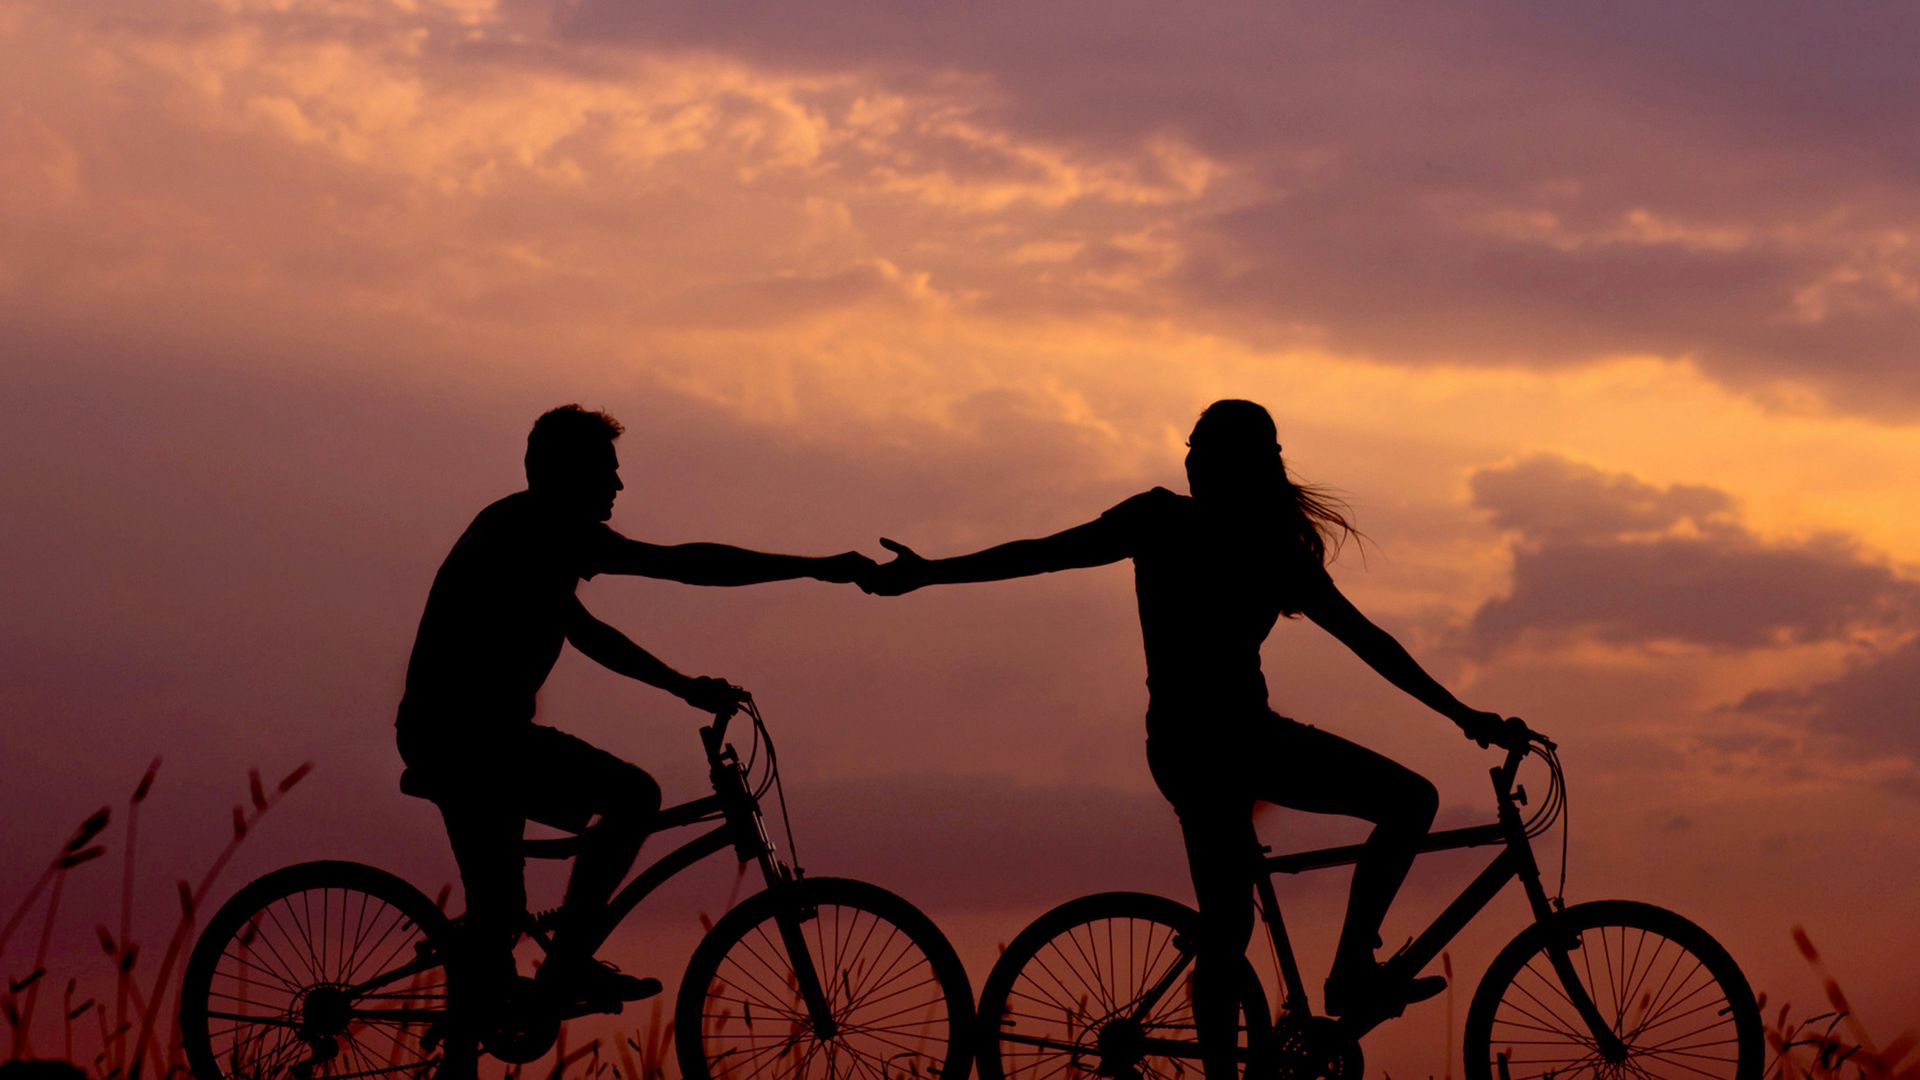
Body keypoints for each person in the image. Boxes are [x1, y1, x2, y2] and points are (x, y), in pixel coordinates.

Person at [860, 399, 1510, 1079]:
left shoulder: (1254, 544)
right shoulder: (1180, 525)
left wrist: (1463, 714)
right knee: (1388, 816)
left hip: (1211, 744)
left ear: (1241, 463)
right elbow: (1043, 555)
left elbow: (1368, 641)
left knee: (1237, 921)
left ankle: (1332, 985)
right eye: (1191, 446)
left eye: (1205, 448)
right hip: (1220, 746)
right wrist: (931, 572)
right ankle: (1348, 974)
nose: (1191, 459)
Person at [397, 404, 872, 1007]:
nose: (618, 484)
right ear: (566, 474)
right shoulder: (537, 531)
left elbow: (586, 631)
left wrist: (682, 685)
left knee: (500, 920)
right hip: (467, 741)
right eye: (605, 469)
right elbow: (682, 566)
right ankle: (564, 964)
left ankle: (507, 992)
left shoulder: (527, 532)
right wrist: (817, 569)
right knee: (632, 797)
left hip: (476, 737)